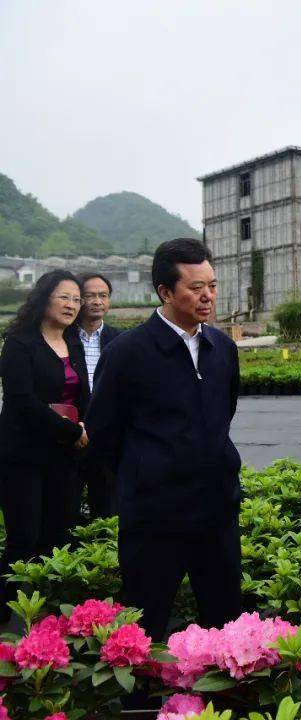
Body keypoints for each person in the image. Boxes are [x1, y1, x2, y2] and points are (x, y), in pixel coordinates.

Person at [86, 238, 242, 640]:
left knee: (224, 622)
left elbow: (225, 412)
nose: (207, 296)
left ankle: (224, 701)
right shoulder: (128, 352)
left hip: (216, 510)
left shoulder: (222, 348)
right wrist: (147, 473)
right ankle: (143, 702)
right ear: (165, 292)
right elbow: (103, 432)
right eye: (195, 287)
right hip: (155, 517)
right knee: (145, 625)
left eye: (212, 284)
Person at [0, 270, 90, 615]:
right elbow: (22, 401)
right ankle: (7, 615)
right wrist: (72, 431)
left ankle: (50, 613)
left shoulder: (73, 342)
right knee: (24, 537)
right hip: (23, 455)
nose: (72, 305)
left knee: (58, 534)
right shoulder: (20, 343)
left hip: (63, 456)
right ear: (44, 298)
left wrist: (87, 425)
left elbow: (84, 393)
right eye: (64, 297)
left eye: (76, 299)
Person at [76, 272, 123, 517]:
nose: (97, 301)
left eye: (103, 295)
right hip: (71, 432)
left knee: (106, 505)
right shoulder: (64, 337)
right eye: (90, 296)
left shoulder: (119, 340)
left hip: (106, 434)